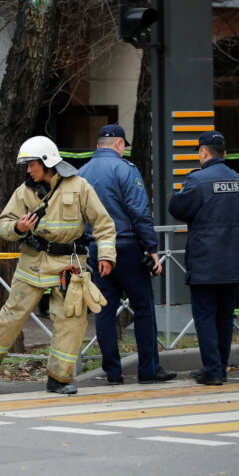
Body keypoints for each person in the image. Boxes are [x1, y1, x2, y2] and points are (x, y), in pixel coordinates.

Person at [0, 136, 117, 395]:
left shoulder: (80, 187)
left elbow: (104, 224)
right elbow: (3, 225)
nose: (29, 169)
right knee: (12, 316)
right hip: (32, 264)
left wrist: (107, 256)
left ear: (47, 161)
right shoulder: (24, 192)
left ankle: (59, 379)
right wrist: (18, 228)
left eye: (32, 164)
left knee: (71, 320)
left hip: (70, 265)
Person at [78, 125, 177, 385]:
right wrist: (152, 248)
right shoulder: (126, 170)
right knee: (143, 306)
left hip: (96, 248)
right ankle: (149, 369)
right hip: (126, 246)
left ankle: (112, 372)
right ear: (120, 144)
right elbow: (139, 212)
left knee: (104, 310)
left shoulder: (82, 173)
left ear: (99, 145)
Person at [169, 130, 239, 386]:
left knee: (205, 316)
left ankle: (212, 370)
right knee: (225, 317)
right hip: (233, 260)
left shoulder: (198, 180)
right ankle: (220, 368)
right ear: (224, 153)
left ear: (203, 152)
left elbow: (177, 208)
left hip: (205, 260)